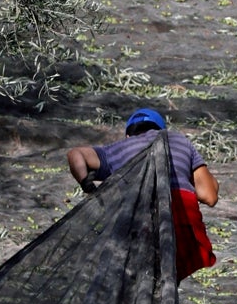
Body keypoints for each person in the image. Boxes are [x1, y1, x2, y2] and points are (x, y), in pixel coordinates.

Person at [66, 107, 220, 281]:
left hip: (138, 222)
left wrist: (86, 183)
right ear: (161, 130)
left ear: (128, 136)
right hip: (181, 221)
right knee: (169, 277)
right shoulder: (179, 141)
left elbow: (75, 154)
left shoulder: (119, 148)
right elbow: (209, 195)